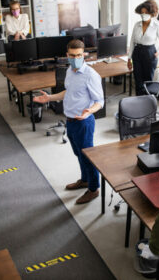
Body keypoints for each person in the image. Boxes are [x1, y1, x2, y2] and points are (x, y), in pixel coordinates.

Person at [33, 39, 104, 204]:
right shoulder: (69, 71)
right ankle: (85, 180)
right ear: (67, 56)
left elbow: (100, 101)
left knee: (88, 157)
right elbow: (68, 92)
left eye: (79, 55)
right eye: (72, 55)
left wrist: (89, 112)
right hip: (70, 121)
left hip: (84, 122)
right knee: (79, 154)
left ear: (84, 54)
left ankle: (93, 189)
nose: (76, 58)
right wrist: (49, 97)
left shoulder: (91, 75)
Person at [127, 0, 159, 96]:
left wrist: (158, 52)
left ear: (151, 13)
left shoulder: (157, 26)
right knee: (138, 81)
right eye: (142, 13)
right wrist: (129, 58)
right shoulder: (137, 25)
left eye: (146, 12)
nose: (143, 14)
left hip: (150, 53)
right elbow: (132, 42)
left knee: (147, 82)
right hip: (137, 52)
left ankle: (147, 104)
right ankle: (139, 103)